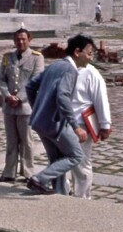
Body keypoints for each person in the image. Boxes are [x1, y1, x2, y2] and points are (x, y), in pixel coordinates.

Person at [24, 33, 95, 195]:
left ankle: (59, 194)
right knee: (76, 156)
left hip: (39, 122)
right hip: (55, 124)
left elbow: (30, 86)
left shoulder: (56, 65)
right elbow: (62, 97)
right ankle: (39, 179)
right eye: (89, 53)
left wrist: (38, 109)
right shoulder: (70, 70)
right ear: (78, 52)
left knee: (57, 161)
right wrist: (76, 127)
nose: (91, 58)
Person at [0, 28, 44, 181]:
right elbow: (2, 79)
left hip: (25, 106)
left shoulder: (37, 57)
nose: (20, 42)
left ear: (29, 40)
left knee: (27, 141)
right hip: (9, 105)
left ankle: (28, 172)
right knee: (11, 140)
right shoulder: (7, 57)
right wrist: (8, 96)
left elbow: (36, 80)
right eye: (17, 39)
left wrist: (20, 98)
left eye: (23, 39)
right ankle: (9, 172)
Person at [68, 62, 112, 198]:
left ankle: (82, 196)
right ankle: (63, 193)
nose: (89, 56)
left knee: (81, 162)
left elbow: (101, 100)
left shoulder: (91, 73)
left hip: (81, 124)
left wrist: (105, 125)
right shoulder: (63, 68)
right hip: (63, 122)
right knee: (62, 161)